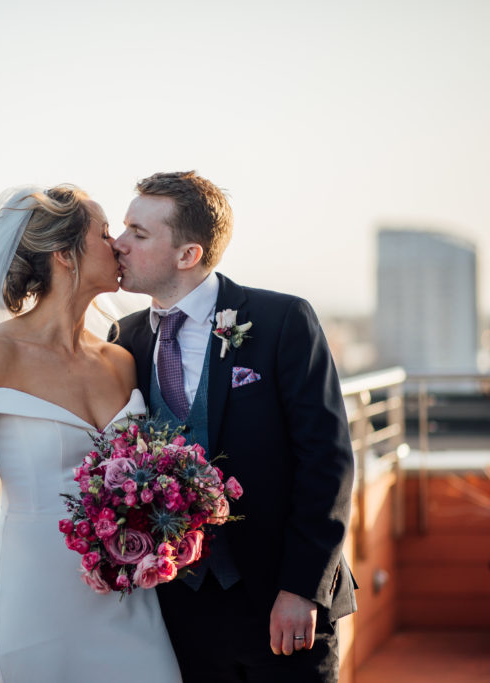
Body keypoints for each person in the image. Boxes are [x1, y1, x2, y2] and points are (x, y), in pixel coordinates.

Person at [0, 185, 183, 682]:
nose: (118, 245)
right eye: (104, 233)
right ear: (65, 255)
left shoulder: (121, 361)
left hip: (127, 590)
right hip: (38, 598)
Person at [111, 171, 357, 682]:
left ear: (188, 255)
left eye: (138, 232)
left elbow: (327, 461)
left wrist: (301, 588)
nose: (118, 243)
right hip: (180, 606)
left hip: (282, 601)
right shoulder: (124, 340)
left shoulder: (281, 320)